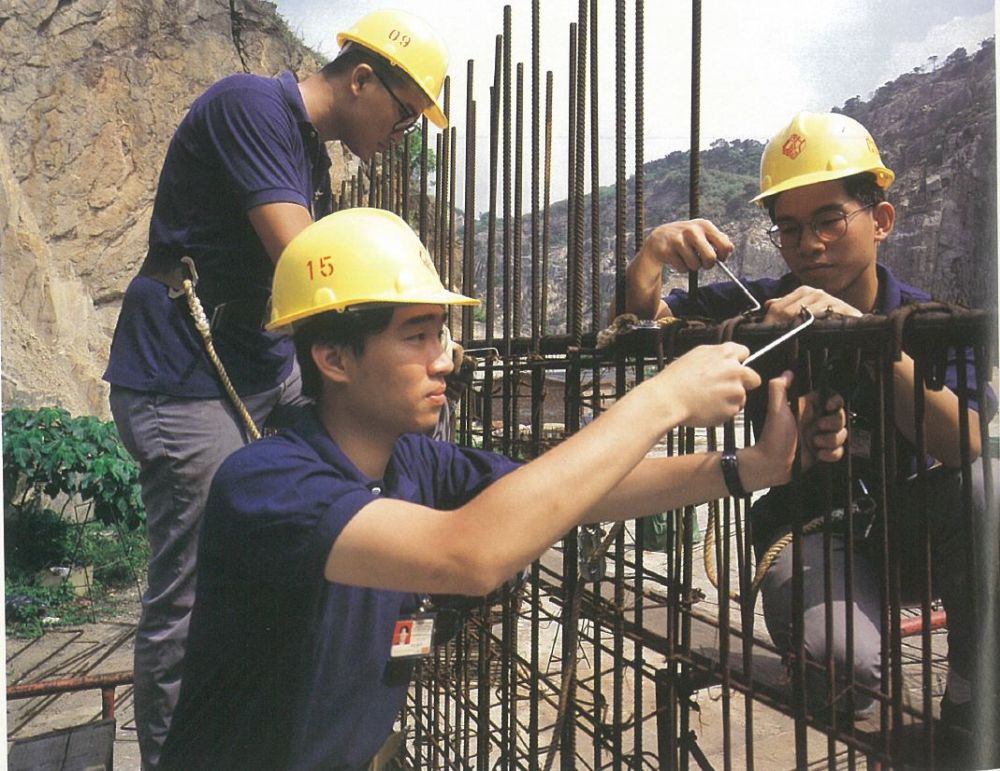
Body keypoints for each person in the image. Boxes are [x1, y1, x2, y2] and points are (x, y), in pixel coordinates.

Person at [157, 207, 845, 769]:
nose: (447, 357)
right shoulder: (268, 484)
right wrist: (662, 399)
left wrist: (747, 468)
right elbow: (472, 553)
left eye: (443, 332)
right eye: (418, 335)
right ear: (334, 358)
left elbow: (580, 490)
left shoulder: (415, 463)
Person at [102, 11, 450, 765]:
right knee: (195, 580)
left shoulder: (306, 152)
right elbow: (304, 260)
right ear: (361, 79)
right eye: (404, 111)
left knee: (319, 519)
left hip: (255, 366)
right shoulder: (251, 106)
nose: (404, 134)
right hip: (184, 377)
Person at [624, 111, 997, 744]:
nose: (810, 243)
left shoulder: (928, 320)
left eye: (829, 219)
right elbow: (640, 330)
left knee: (991, 484)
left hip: (907, 529)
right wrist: (650, 257)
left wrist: (866, 337)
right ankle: (846, 657)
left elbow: (962, 443)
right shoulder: (762, 308)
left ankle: (968, 694)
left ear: (880, 221)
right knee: (844, 667)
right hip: (810, 529)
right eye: (790, 227)